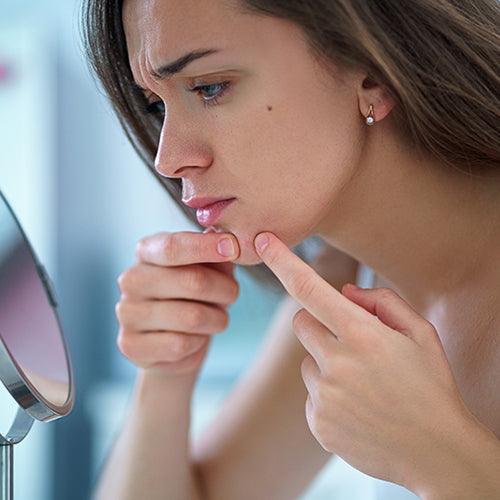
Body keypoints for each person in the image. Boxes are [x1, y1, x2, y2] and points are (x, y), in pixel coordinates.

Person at [82, 0, 500, 498]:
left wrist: (442, 459)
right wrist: (165, 375)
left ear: (371, 71)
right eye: (156, 105)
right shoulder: (343, 289)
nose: (168, 159)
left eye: (209, 87)